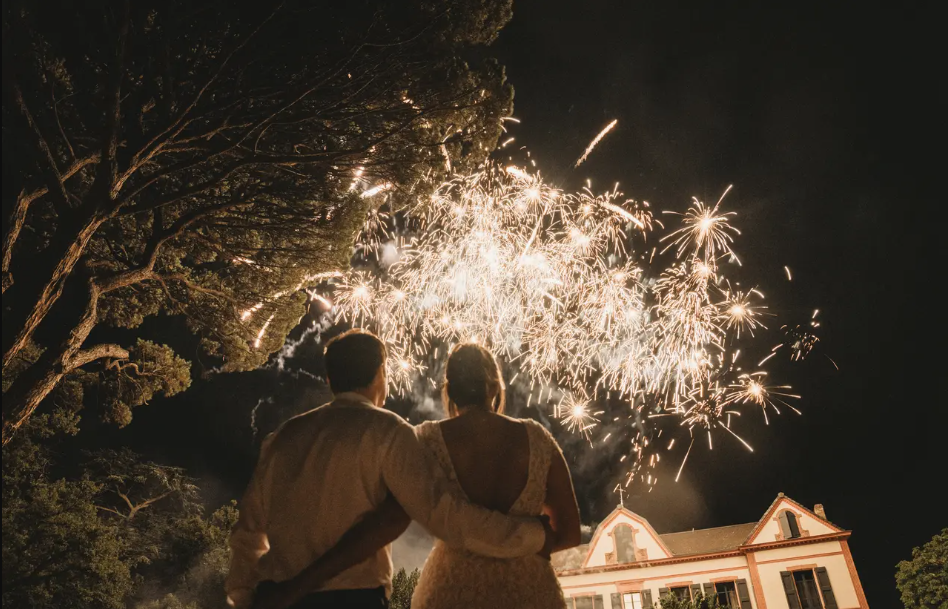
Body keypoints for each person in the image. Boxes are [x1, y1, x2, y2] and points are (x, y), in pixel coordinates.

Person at [225, 330, 554, 609]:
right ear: (380, 373)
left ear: (330, 379)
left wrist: (244, 595)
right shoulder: (389, 431)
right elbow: (444, 514)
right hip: (356, 599)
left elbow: (247, 532)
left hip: (282, 598)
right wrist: (531, 535)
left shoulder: (282, 438)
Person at [409, 343, 581, 608]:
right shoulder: (538, 439)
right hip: (529, 594)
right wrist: (528, 543)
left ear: (450, 391)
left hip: (451, 592)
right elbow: (570, 533)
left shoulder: (426, 440)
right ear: (493, 387)